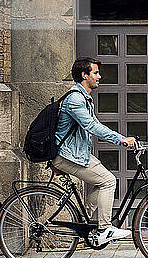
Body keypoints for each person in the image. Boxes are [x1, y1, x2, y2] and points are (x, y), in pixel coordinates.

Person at [52, 57, 137, 245]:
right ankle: (105, 228)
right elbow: (91, 125)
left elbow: (94, 124)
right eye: (95, 73)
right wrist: (120, 139)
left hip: (76, 154)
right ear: (85, 75)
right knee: (108, 181)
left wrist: (119, 138)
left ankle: (84, 223)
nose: (99, 76)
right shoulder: (75, 98)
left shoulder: (83, 97)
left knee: (101, 183)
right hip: (67, 156)